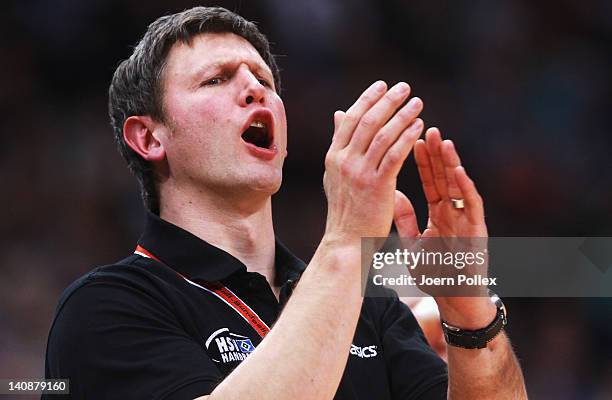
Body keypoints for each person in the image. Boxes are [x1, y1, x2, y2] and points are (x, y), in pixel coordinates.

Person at [44, 6, 527, 399]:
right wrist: (348, 237)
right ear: (149, 137)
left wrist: (469, 315)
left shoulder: (371, 311)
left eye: (264, 80)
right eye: (216, 79)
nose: (255, 88)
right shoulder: (105, 309)